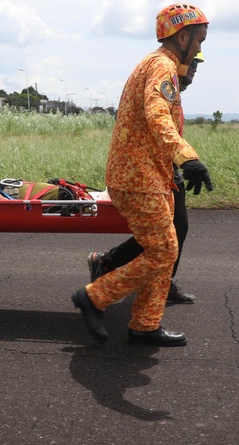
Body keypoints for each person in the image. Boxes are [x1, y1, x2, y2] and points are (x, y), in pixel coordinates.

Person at [71, 3, 213, 347]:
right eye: (199, 40)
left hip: (152, 175)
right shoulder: (162, 66)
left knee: (164, 247)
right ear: (182, 35)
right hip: (139, 177)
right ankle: (95, 296)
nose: (199, 48)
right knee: (164, 250)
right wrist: (186, 157)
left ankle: (146, 325)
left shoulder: (158, 65)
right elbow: (156, 115)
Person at [85, 52, 205, 305]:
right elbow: (158, 120)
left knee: (174, 230)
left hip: (169, 169)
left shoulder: (174, 89)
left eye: (198, 64)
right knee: (162, 237)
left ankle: (158, 283)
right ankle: (105, 269)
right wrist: (186, 157)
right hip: (149, 172)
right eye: (193, 62)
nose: (195, 68)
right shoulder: (161, 75)